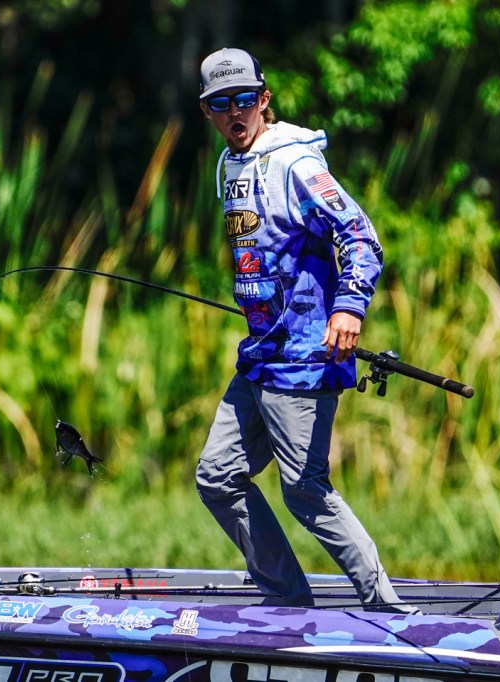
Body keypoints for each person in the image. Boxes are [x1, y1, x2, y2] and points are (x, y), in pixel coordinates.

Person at [194, 47, 417, 613]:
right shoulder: (229, 166)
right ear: (207, 111)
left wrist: (349, 308)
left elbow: (361, 237)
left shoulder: (295, 164)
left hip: (304, 358)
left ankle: (388, 608)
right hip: (259, 357)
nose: (235, 112)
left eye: (245, 99)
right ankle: (287, 600)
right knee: (217, 477)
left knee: (304, 489)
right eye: (221, 104)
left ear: (263, 100)